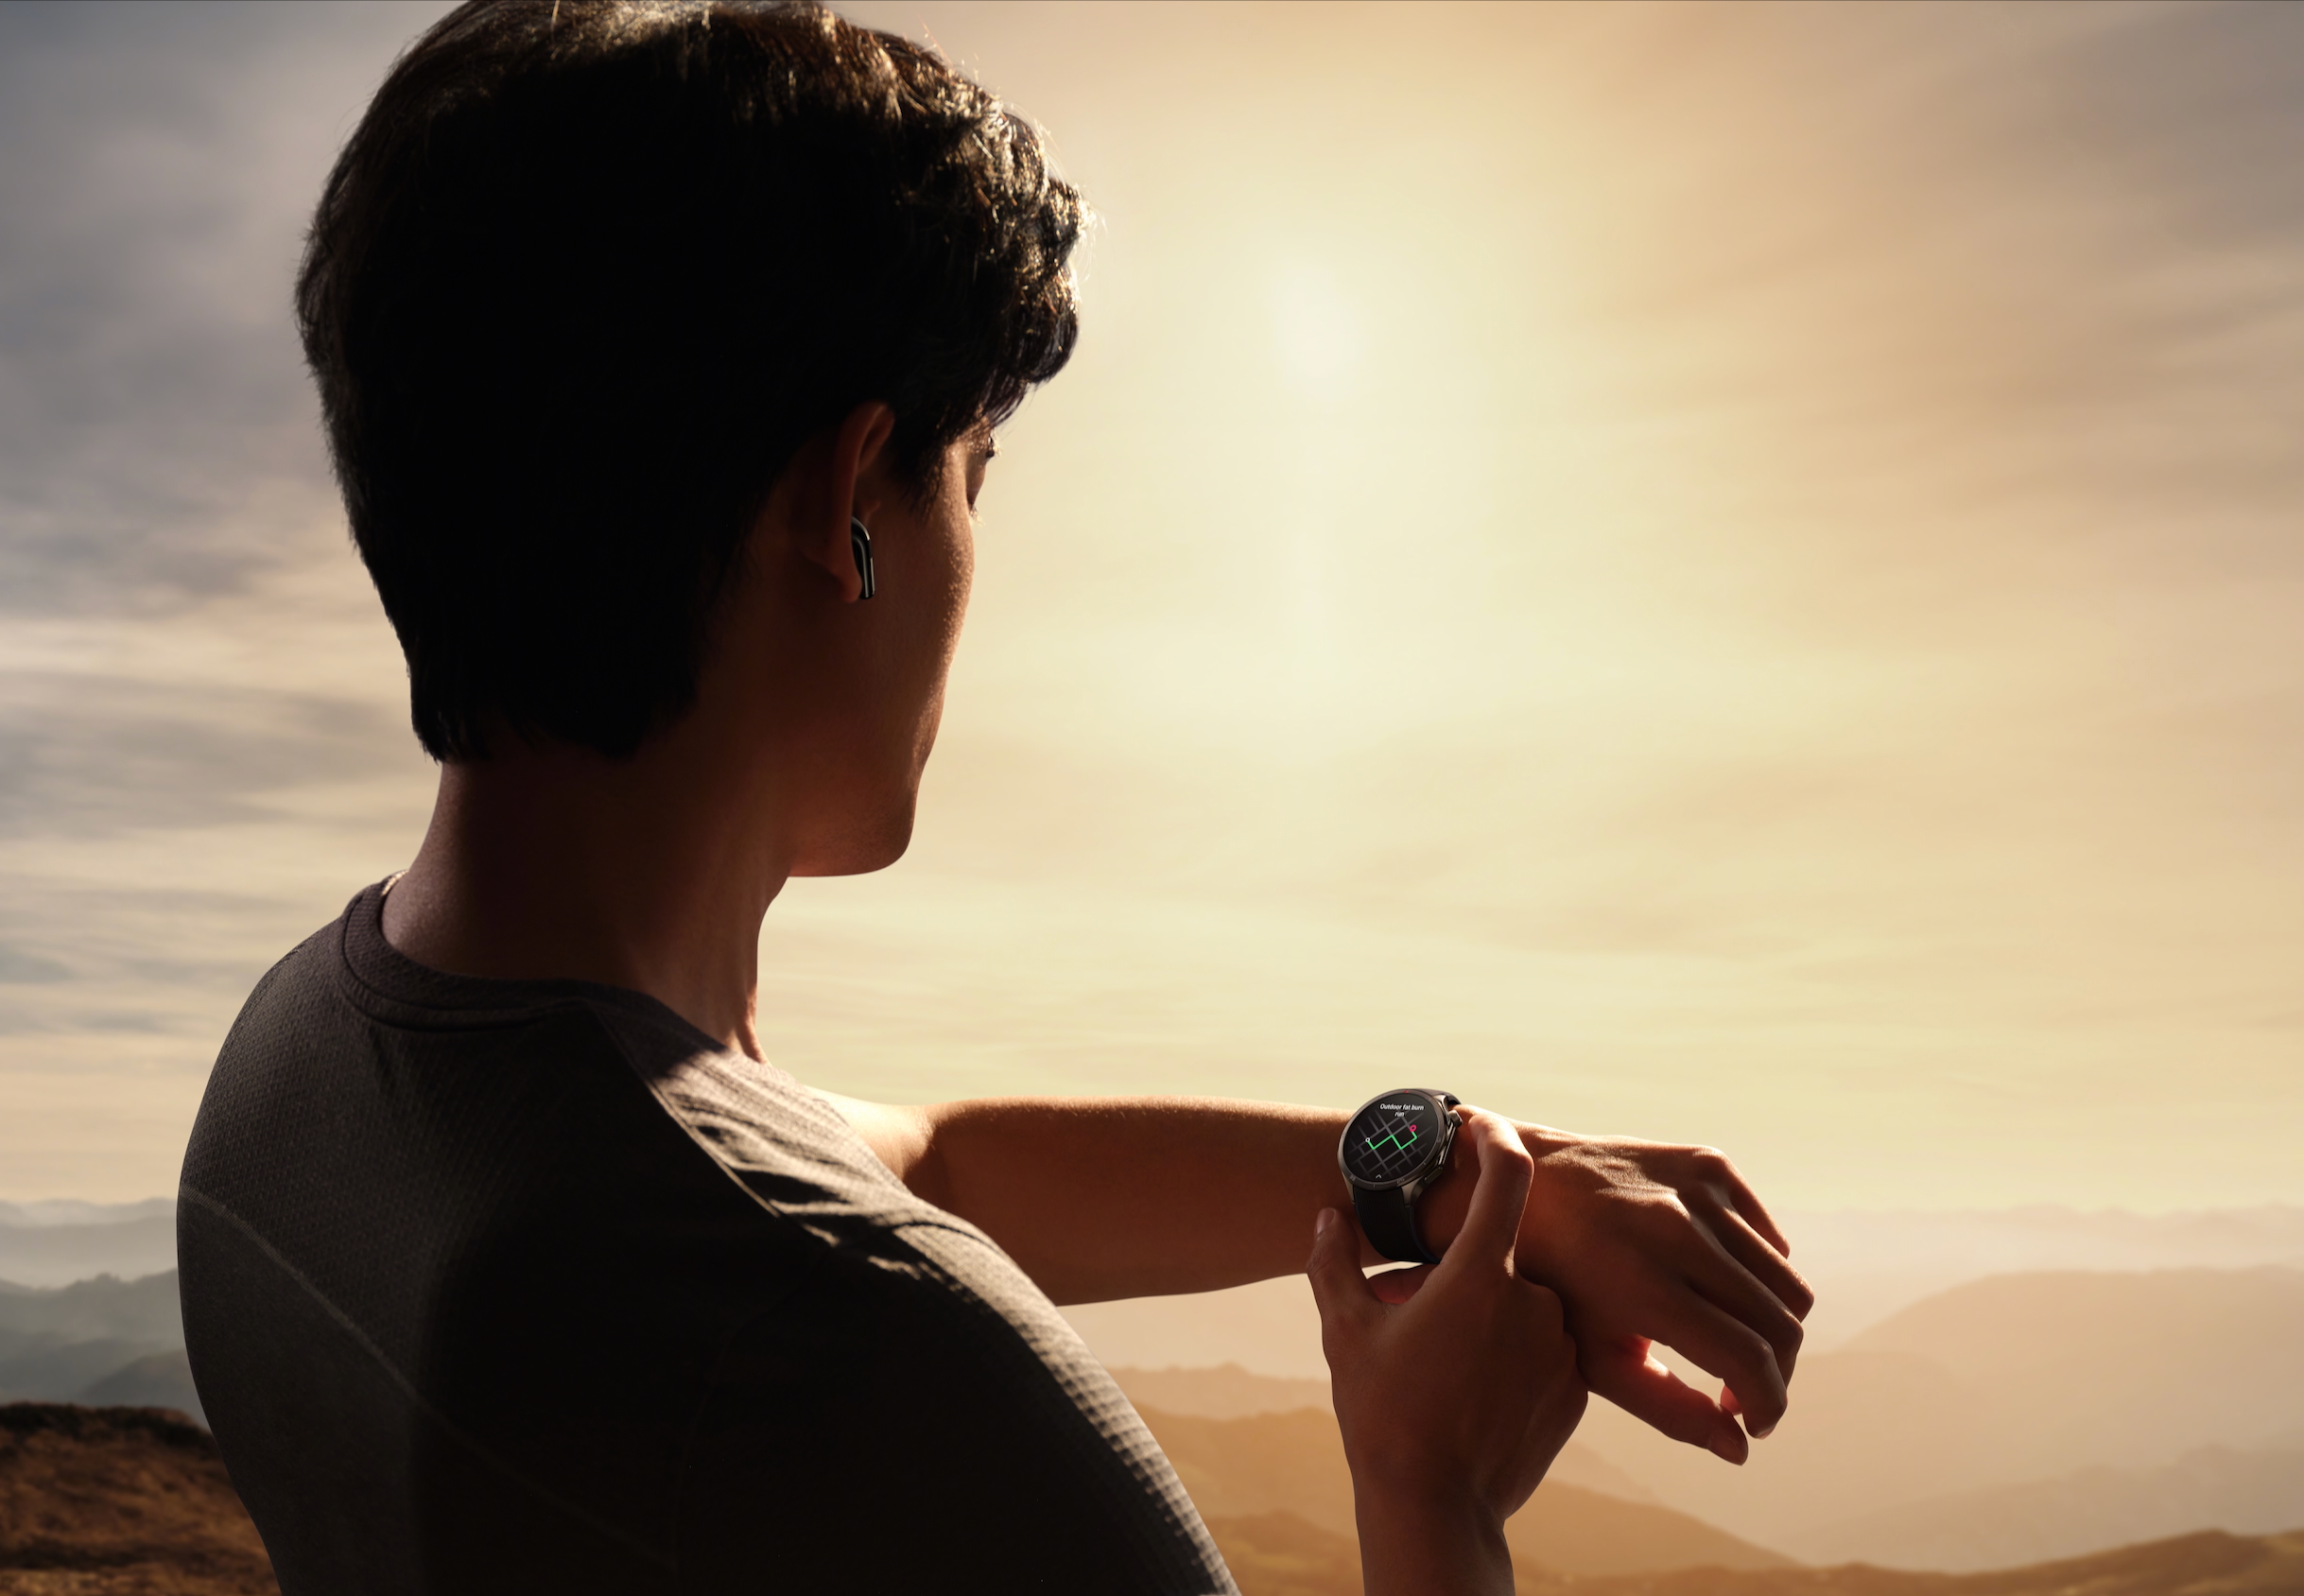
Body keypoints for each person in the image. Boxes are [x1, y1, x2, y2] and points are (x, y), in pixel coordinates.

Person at [175, 3, 1812, 1592]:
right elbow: (855, 1240)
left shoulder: (295, 1072)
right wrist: (1433, 1495)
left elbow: (924, 1162)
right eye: (970, 479)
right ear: (844, 506)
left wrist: (1451, 1170)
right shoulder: (878, 1360)